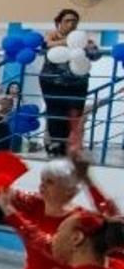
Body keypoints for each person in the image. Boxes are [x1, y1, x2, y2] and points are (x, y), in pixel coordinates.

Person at [41, 8, 98, 157]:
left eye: (74, 21)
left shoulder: (83, 38)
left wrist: (87, 47)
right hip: (53, 84)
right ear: (59, 22)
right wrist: (68, 42)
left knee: (74, 115)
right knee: (55, 114)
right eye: (67, 21)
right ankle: (55, 145)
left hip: (77, 85)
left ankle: (67, 146)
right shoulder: (52, 35)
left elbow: (95, 54)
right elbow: (46, 45)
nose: (71, 24)